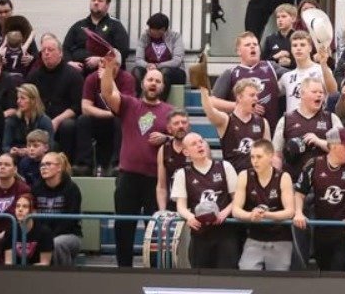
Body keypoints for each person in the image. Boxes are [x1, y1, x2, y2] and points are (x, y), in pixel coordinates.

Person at [100, 54, 172, 267]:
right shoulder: (130, 104)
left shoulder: (170, 112)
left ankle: (154, 270)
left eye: (158, 81)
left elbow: (182, 140)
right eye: (150, 79)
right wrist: (109, 68)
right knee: (124, 228)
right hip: (128, 177)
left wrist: (166, 138)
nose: (153, 83)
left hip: (156, 180)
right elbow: (107, 93)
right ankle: (124, 271)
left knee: (155, 230)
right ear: (142, 83)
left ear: (162, 87)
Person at [292, 126, 345, 272]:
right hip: (322, 229)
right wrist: (298, 212)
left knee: (338, 269)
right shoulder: (314, 164)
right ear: (334, 146)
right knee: (325, 270)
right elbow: (299, 192)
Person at [171, 132, 240, 269]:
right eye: (194, 144)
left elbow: (238, 198)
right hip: (200, 234)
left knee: (227, 274)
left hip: (225, 232)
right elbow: (181, 206)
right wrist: (190, 217)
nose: (199, 145)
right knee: (200, 276)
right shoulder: (182, 174)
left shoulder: (225, 166)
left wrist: (225, 212)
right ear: (186, 152)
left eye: (201, 141)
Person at [231, 139, 295, 271]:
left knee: (278, 278)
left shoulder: (283, 177)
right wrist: (250, 215)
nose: (255, 161)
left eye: (259, 157)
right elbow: (235, 210)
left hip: (280, 239)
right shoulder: (244, 175)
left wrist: (266, 215)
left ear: (271, 156)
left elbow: (290, 211)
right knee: (246, 271)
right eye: (252, 157)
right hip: (254, 238)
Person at [26, 35, 83, 167]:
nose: (46, 53)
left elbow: (77, 106)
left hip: (64, 119)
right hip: (40, 117)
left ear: (60, 53)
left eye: (50, 50)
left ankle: (65, 164)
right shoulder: (33, 76)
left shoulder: (73, 75)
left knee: (68, 126)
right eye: (43, 50)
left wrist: (57, 120)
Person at [212, 32, 284, 134]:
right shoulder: (231, 73)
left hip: (271, 131)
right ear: (239, 51)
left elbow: (297, 77)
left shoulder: (272, 67)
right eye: (247, 45)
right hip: (241, 133)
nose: (252, 47)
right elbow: (212, 102)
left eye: (255, 44)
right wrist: (239, 106)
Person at [77, 51, 134, 176]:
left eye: (107, 64)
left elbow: (125, 108)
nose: (102, 66)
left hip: (119, 123)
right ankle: (84, 165)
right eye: (102, 62)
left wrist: (109, 81)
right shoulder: (92, 78)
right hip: (101, 120)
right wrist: (111, 114)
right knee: (83, 120)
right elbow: (85, 107)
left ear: (117, 66)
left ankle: (117, 164)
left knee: (119, 120)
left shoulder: (127, 79)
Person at [200, 77, 269, 173]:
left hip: (256, 175)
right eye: (252, 95)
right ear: (239, 97)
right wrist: (203, 91)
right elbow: (210, 112)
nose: (256, 98)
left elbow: (268, 152)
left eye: (257, 95)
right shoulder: (226, 120)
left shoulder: (262, 122)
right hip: (233, 174)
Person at [30, 151, 82, 266]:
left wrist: (48, 238)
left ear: (59, 168)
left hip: (69, 235)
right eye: (42, 165)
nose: (44, 167)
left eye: (48, 164)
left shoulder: (72, 188)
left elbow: (70, 221)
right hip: (42, 235)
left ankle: (63, 275)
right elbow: (33, 216)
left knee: (56, 243)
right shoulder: (36, 188)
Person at [63, 0, 131, 73]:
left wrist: (101, 60)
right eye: (93, 0)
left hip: (106, 71)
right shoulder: (78, 25)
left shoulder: (115, 25)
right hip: (78, 71)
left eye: (100, 0)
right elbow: (65, 48)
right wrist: (69, 62)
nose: (96, 3)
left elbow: (123, 52)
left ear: (107, 5)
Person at [278, 30, 337, 116]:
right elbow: (271, 93)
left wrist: (324, 64)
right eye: (294, 45)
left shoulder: (321, 69)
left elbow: (333, 91)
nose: (298, 48)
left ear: (310, 48)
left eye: (302, 45)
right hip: (292, 122)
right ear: (291, 49)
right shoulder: (286, 77)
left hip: (316, 121)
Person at [132, 13, 185, 99]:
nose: (149, 31)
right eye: (149, 28)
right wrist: (148, 65)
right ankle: (136, 102)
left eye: (152, 29)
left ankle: (159, 103)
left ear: (162, 30)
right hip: (149, 69)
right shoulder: (145, 36)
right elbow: (138, 59)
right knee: (136, 71)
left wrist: (157, 66)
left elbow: (177, 60)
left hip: (173, 72)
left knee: (165, 71)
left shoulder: (175, 36)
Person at [2, 83, 52, 158]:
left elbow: (50, 146)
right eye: (18, 98)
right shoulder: (12, 120)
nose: (18, 101)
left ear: (33, 100)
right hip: (16, 158)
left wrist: (29, 150)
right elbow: (5, 146)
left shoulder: (44, 121)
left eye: (22, 98)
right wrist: (11, 151)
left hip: (38, 158)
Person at [262, 4, 297, 70]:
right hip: (275, 74)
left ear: (293, 19)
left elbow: (308, 60)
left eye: (283, 16)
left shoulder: (299, 37)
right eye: (278, 17)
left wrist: (291, 62)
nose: (280, 20)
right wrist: (276, 57)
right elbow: (262, 63)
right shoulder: (270, 39)